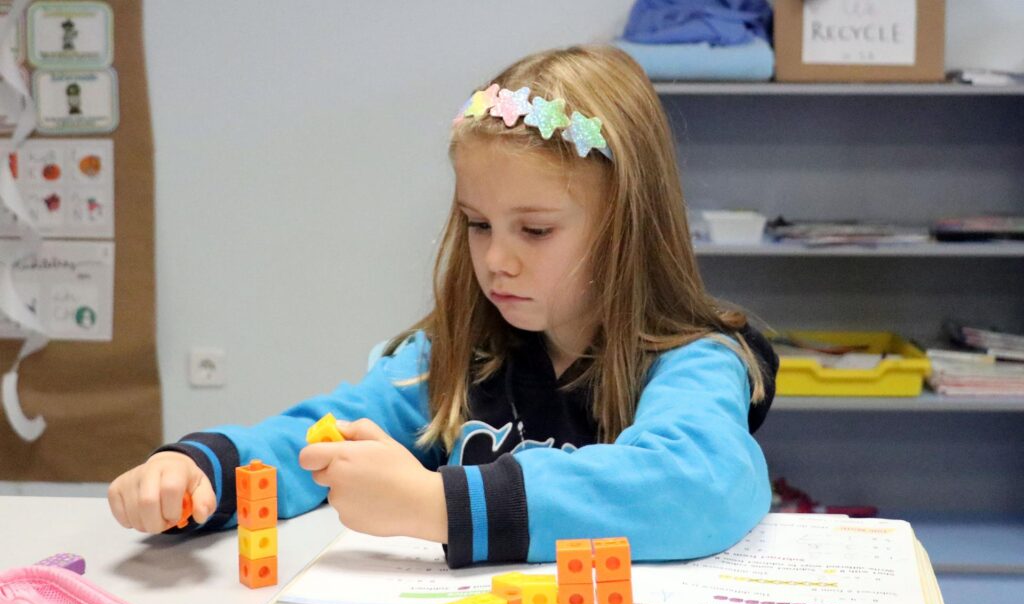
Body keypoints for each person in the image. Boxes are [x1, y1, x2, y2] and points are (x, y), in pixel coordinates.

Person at [108, 45, 779, 568]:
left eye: (535, 230)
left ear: (626, 227)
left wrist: (439, 504)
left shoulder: (693, 363)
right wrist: (202, 469)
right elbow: (321, 437)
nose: (495, 259)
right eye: (477, 224)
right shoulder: (455, 356)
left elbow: (698, 484)